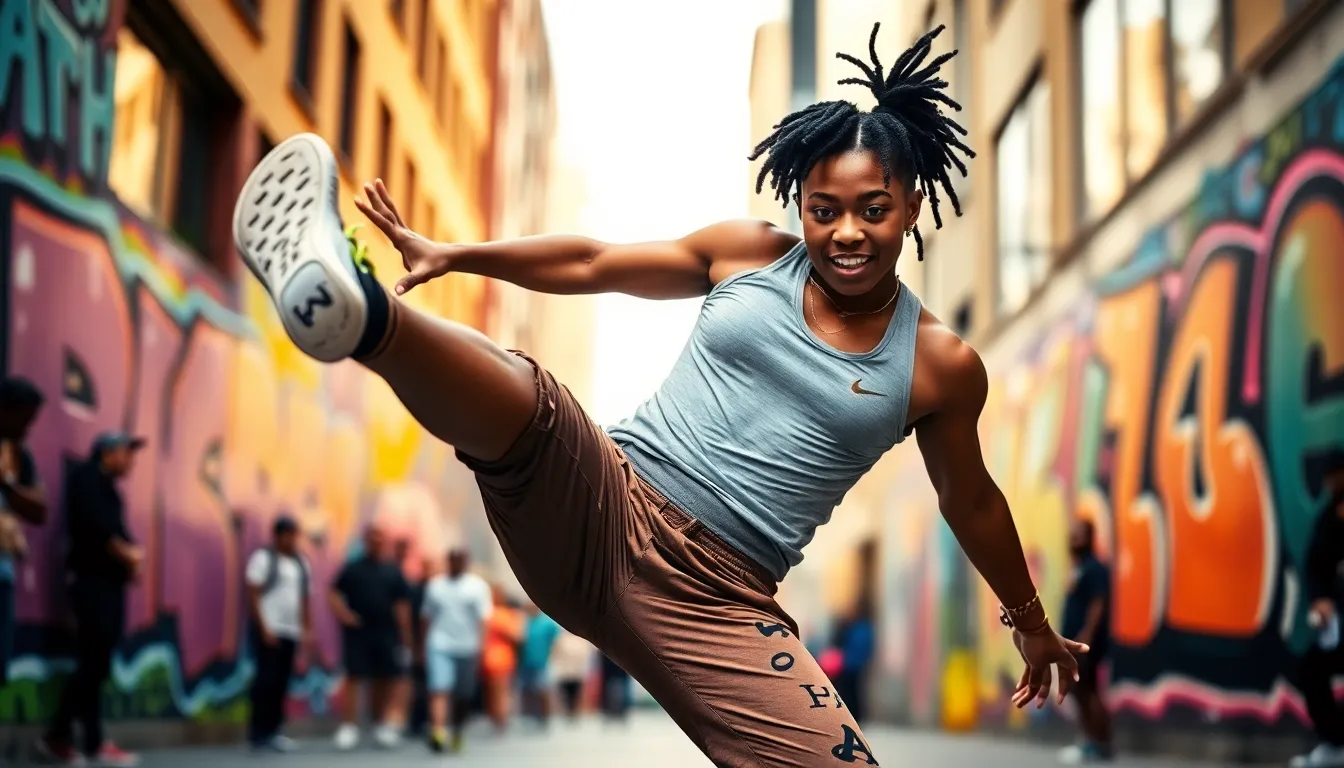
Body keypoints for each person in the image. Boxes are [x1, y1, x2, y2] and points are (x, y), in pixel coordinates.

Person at [231, 22, 1086, 765]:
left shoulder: (939, 364)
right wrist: (459, 255)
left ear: (911, 206)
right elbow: (595, 262)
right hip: (607, 502)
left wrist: (1029, 620)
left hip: (722, 600)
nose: (846, 233)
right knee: (537, 407)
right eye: (824, 209)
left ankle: (361, 314)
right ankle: (361, 313)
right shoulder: (749, 255)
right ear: (801, 203)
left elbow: (969, 498)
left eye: (873, 209)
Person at [37, 432, 144, 767]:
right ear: (108, 453)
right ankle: (57, 735)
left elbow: (117, 531)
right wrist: (129, 555)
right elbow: (101, 530)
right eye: (127, 453)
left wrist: (130, 559)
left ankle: (93, 740)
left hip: (107, 586)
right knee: (95, 663)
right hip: (92, 585)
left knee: (96, 663)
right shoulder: (87, 479)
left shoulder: (108, 488)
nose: (131, 461)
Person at [328, 526, 414, 751]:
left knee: (383, 679)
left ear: (384, 542)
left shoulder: (392, 571)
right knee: (354, 678)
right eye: (372, 538)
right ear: (366, 541)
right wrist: (344, 615)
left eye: (380, 538)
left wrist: (405, 637)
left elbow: (402, 604)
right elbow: (333, 592)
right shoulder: (353, 568)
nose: (376, 542)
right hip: (358, 633)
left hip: (386, 632)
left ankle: (380, 725)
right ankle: (348, 727)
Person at [244, 515, 311, 752]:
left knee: (282, 682)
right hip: (269, 629)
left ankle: (274, 731)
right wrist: (263, 627)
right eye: (288, 534)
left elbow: (304, 599)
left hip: (290, 631)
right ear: (277, 535)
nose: (292, 539)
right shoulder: (263, 559)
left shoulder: (301, 563)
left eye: (295, 534)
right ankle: (257, 732)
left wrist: (306, 630)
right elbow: (252, 592)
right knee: (265, 681)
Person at [1293, 467, 1344, 768]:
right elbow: (1315, 567)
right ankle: (1336, 742)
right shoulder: (1328, 520)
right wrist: (1320, 601)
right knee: (1312, 667)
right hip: (1339, 625)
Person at [0, 377, 48, 690]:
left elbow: (40, 509)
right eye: (25, 418)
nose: (28, 427)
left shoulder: (19, 455)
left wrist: (7, 482)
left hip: (3, 573)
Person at [419, 548, 492, 752]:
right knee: (439, 688)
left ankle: (458, 730)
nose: (456, 563)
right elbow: (426, 616)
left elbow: (484, 619)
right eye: (453, 560)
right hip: (439, 644)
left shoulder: (477, 587)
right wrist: (422, 645)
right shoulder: (436, 585)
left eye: (460, 559)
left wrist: (483, 646)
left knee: (463, 695)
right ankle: (438, 732)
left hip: (468, 646)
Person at [1058, 519, 1113, 764]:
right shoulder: (1077, 567)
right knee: (1081, 691)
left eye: (1080, 535)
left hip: (1085, 643)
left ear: (1090, 538)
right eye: (1072, 535)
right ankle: (1092, 741)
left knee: (1088, 691)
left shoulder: (1094, 568)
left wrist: (1088, 634)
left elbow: (1097, 602)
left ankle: (1099, 743)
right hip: (1073, 642)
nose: (1074, 539)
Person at [481, 589, 524, 734]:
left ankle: (495, 719)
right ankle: (501, 721)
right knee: (503, 692)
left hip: (487, 657)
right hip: (502, 658)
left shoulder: (486, 614)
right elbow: (517, 636)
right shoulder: (503, 615)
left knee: (491, 693)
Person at [518, 606, 562, 726]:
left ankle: (544, 718)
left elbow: (557, 640)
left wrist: (553, 654)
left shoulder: (547, 623)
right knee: (528, 690)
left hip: (542, 661)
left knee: (543, 690)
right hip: (526, 662)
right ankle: (530, 716)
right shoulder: (524, 621)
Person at [550, 629, 591, 721]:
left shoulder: (580, 639)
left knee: (575, 694)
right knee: (566, 694)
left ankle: (574, 712)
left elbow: (585, 655)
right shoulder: (561, 639)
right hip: (565, 672)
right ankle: (568, 712)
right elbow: (556, 653)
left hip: (576, 672)